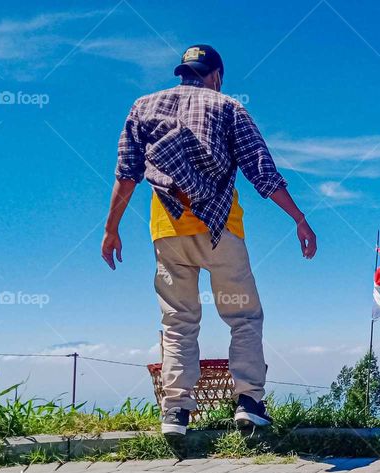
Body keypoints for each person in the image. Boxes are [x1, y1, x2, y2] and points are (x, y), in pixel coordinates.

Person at [101, 44, 316, 438]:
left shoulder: (142, 107)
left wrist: (111, 228)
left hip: (168, 231)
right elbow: (261, 170)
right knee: (244, 317)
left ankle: (176, 412)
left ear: (182, 72)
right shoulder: (229, 107)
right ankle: (249, 403)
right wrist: (299, 219)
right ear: (215, 75)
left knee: (178, 321)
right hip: (221, 230)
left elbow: (126, 174)